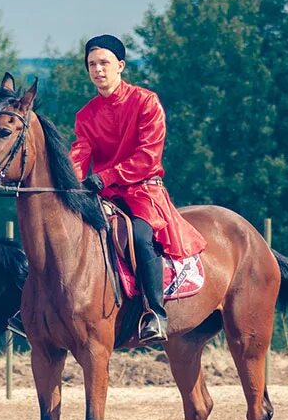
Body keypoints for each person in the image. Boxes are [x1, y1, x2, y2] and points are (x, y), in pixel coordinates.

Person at [68, 34, 207, 343]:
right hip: (104, 194)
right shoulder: (86, 114)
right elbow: (80, 153)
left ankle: (154, 312)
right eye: (92, 64)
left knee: (141, 236)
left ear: (120, 65)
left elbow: (147, 157)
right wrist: (67, 184)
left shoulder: (146, 102)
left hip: (142, 190)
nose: (98, 70)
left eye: (104, 63)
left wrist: (105, 178)